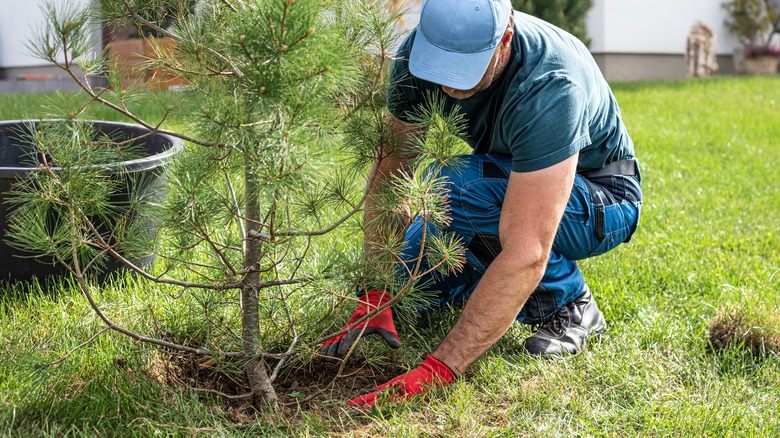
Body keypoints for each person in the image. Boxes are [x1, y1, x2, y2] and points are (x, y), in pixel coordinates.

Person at [320, 0, 642, 409]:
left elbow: (527, 249)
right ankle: (477, 279)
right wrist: (376, 292)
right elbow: (390, 177)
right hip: (506, 174)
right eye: (440, 66)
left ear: (505, 38)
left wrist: (439, 368)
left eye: (465, 69)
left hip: (601, 195)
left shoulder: (550, 83)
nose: (449, 85)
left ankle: (570, 303)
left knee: (456, 189)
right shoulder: (415, 57)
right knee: (414, 281)